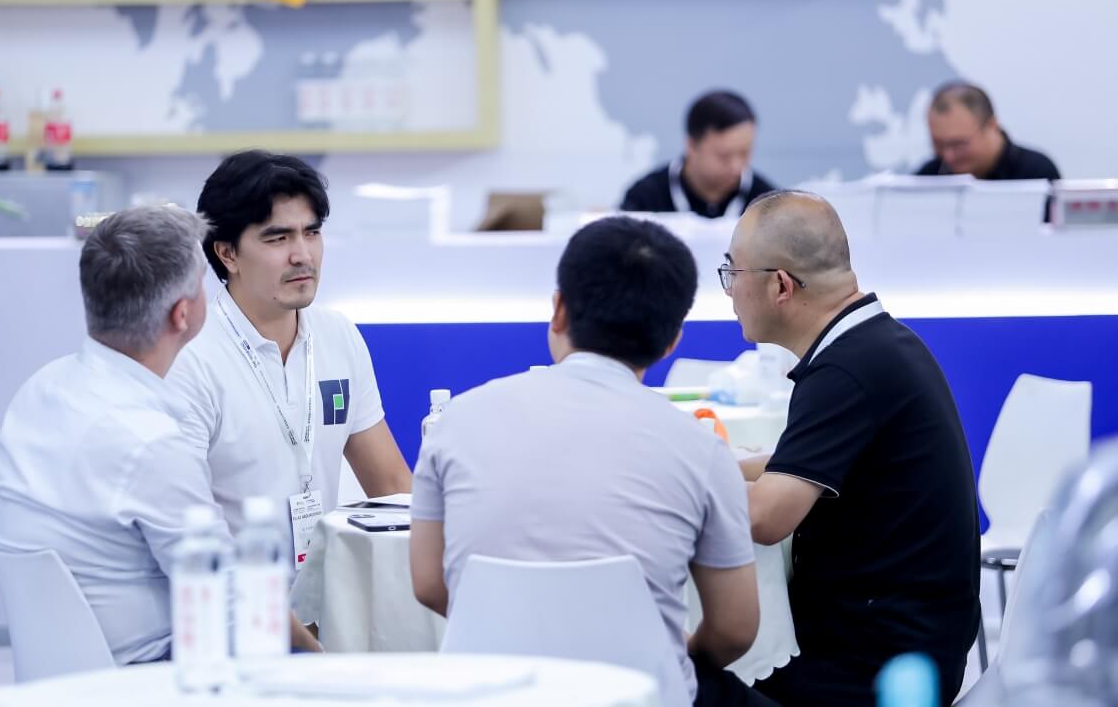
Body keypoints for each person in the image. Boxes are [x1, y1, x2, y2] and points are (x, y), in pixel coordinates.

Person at [410, 216, 777, 707]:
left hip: (489, 693)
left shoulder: (454, 422)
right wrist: (665, 652)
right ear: (673, 339)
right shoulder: (701, 450)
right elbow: (735, 630)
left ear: (559, 310)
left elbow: (429, 584)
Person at [0, 205, 320, 663]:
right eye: (202, 283)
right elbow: (239, 613)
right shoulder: (148, 442)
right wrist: (322, 659)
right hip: (151, 674)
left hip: (62, 669)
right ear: (183, 314)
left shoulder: (40, 390)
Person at [720, 190, 981, 705]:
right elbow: (797, 465)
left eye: (733, 272)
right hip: (907, 644)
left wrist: (673, 482)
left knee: (691, 678)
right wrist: (713, 463)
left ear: (780, 285)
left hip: (875, 667)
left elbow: (766, 518)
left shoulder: (845, 370)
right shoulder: (875, 344)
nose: (728, 291)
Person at [169, 151, 411, 567]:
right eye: (278, 239)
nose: (303, 255)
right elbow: (179, 524)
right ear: (227, 254)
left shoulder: (338, 336)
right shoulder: (190, 358)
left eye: (311, 233)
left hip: (329, 590)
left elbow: (391, 485)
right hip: (236, 594)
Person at [621, 90, 775, 218]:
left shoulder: (768, 204)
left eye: (745, 153)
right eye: (724, 156)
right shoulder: (645, 198)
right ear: (691, 146)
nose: (736, 167)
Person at [916, 81, 1060, 182]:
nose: (948, 156)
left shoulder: (1036, 175)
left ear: (992, 126)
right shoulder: (928, 179)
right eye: (938, 144)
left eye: (958, 144)